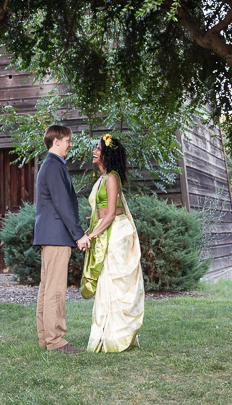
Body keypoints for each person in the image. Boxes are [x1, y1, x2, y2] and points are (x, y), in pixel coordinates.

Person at [80, 134, 144, 353]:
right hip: (107, 229)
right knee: (106, 284)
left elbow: (109, 216)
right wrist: (90, 231)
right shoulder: (103, 178)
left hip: (115, 233)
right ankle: (107, 333)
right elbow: (103, 214)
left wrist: (91, 236)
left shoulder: (112, 178)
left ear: (107, 154)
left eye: (98, 149)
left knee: (113, 283)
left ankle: (116, 337)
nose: (94, 151)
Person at [33, 124, 90, 354]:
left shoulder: (49, 165)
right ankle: (56, 342)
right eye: (67, 140)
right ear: (56, 141)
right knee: (55, 290)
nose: (70, 144)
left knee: (46, 289)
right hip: (57, 236)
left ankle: (45, 338)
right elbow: (63, 205)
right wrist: (79, 235)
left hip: (50, 235)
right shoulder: (54, 167)